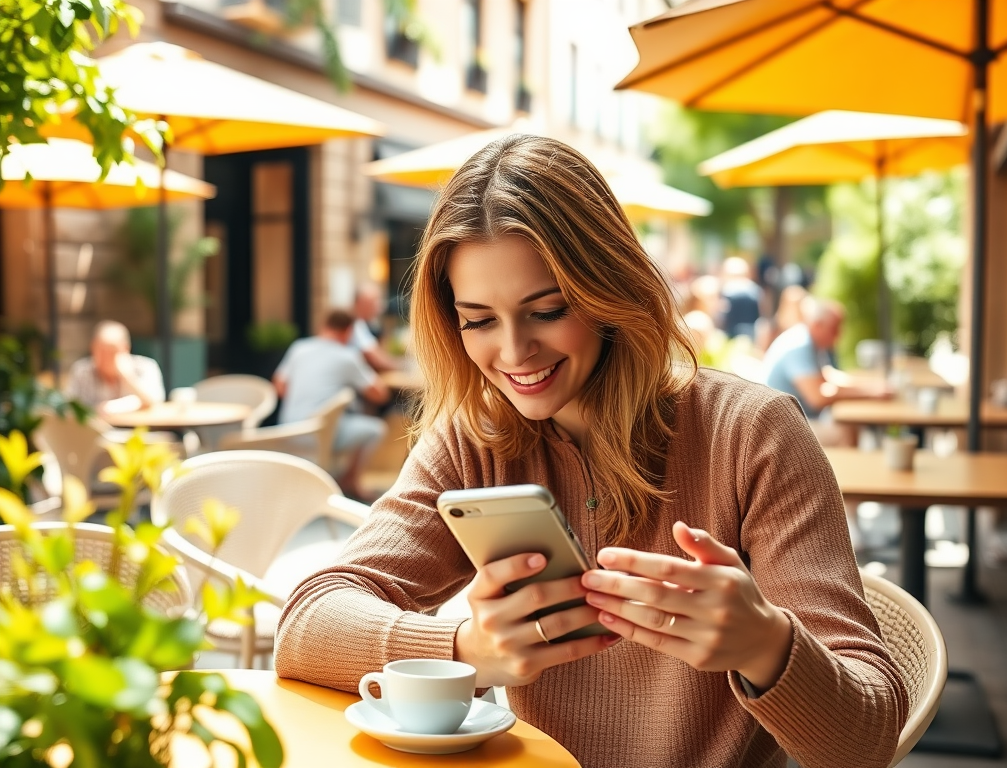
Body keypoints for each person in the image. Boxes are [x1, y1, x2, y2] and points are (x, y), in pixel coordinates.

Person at [276, 136, 906, 768]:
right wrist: (466, 649)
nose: (515, 352)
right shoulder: (477, 439)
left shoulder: (753, 434)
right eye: (479, 321)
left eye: (546, 310)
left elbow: (867, 741)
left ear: (609, 287)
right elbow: (306, 623)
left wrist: (766, 644)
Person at [273, 309, 390, 501]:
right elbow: (379, 394)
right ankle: (350, 481)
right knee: (375, 429)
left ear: (323, 326)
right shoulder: (347, 356)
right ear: (348, 332)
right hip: (321, 434)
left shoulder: (299, 348)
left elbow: (279, 386)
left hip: (287, 430)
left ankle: (336, 477)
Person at [762, 295, 891, 445]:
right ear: (818, 325)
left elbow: (827, 376)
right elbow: (817, 398)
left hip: (793, 421)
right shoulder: (800, 345)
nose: (838, 336)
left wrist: (868, 387)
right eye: (834, 329)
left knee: (849, 424)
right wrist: (870, 393)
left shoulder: (808, 340)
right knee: (845, 431)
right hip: (781, 430)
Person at [65, 321, 165, 412]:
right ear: (92, 347)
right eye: (101, 350)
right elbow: (69, 406)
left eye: (111, 351)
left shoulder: (146, 366)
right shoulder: (81, 371)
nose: (105, 357)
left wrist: (126, 376)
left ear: (126, 348)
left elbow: (155, 401)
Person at [349, 282, 403, 373]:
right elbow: (377, 360)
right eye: (374, 302)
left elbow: (380, 354)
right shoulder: (354, 326)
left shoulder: (363, 324)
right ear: (361, 303)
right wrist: (403, 365)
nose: (379, 306)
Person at [719, 256, 765, 340]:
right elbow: (763, 314)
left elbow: (721, 315)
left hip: (730, 336)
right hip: (751, 335)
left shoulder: (727, 290)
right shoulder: (756, 290)